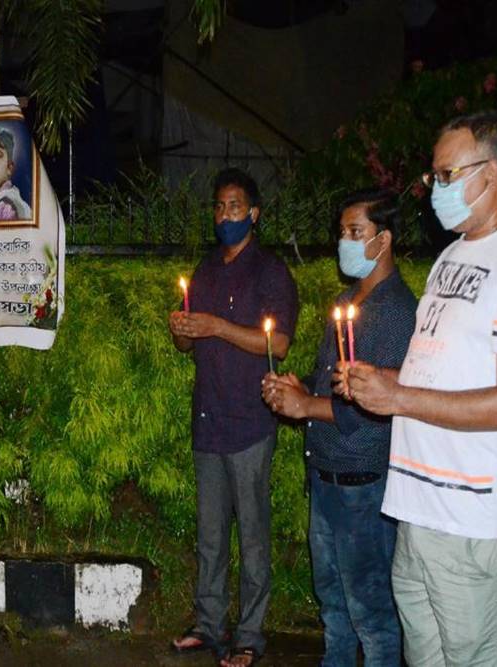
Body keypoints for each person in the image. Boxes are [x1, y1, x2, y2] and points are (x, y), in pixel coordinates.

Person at [342, 111, 497, 666]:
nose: (434, 189)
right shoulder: (451, 257)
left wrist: (399, 398)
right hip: (417, 513)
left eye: (447, 175)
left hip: (472, 524)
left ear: (492, 172)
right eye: (433, 176)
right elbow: (438, 373)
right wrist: (386, 383)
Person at [262, 189, 416, 666]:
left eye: (355, 232)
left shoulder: (396, 312)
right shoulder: (346, 302)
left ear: (383, 240)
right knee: (333, 605)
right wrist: (300, 386)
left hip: (363, 484)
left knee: (372, 613)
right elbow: (333, 381)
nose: (342, 242)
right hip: (326, 476)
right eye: (342, 232)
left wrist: (306, 405)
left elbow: (373, 406)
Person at [168, 167, 298, 667]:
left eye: (235, 207)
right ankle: (209, 624)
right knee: (210, 536)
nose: (226, 216)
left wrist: (217, 326)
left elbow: (278, 345)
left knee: (253, 537)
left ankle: (250, 635)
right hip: (209, 419)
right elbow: (188, 344)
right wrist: (182, 330)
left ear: (255, 214)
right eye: (220, 207)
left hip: (249, 421)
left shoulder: (270, 271)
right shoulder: (205, 268)